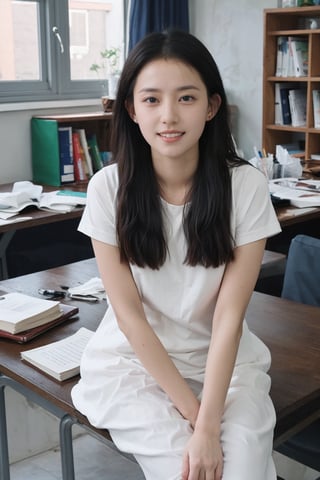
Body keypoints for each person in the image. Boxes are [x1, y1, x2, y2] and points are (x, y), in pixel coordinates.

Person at [71, 29, 281, 480]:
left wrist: (207, 425)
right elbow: (129, 316)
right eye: (151, 100)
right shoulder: (108, 189)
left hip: (226, 364)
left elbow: (229, 315)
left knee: (242, 471)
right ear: (131, 108)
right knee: (184, 471)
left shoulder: (245, 187)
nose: (168, 116)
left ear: (211, 106)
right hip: (134, 366)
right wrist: (192, 414)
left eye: (186, 98)